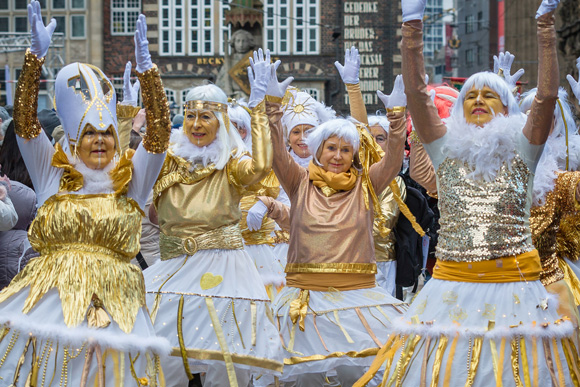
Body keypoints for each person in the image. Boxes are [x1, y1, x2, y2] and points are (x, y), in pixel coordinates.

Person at [356, 0, 580, 385]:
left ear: (507, 108)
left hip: (514, 287)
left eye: (489, 95)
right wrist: (411, 27)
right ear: (460, 108)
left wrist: (545, 28)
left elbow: (544, 99)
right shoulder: (445, 150)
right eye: (471, 95)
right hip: (451, 286)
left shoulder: (523, 151)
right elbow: (418, 93)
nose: (478, 99)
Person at [0, 5, 171, 384]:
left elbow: (159, 136)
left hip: (118, 303)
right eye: (90, 133)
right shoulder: (52, 172)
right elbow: (25, 122)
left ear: (117, 139)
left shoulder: (133, 179)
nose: (99, 141)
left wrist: (149, 73)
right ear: (75, 140)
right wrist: (34, 61)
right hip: (54, 301)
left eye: (107, 133)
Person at [262, 47, 407, 386]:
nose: (338, 156)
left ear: (354, 154)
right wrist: (271, 106)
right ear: (318, 150)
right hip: (306, 299)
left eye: (345, 149)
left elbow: (394, 160)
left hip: (358, 298)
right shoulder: (299, 182)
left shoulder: (365, 185)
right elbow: (273, 150)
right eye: (331, 148)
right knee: (303, 378)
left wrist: (397, 118)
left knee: (369, 375)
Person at [143, 49, 283, 387]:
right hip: (174, 265)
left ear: (220, 121)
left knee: (224, 356)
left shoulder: (232, 162)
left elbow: (263, 167)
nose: (196, 124)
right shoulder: (171, 161)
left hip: (223, 266)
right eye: (190, 116)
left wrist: (259, 106)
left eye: (206, 117)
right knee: (164, 352)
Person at [367, 114, 406, 297]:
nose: (373, 143)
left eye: (380, 138)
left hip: (381, 262)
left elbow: (382, 227)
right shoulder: (348, 176)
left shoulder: (394, 181)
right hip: (348, 261)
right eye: (368, 137)